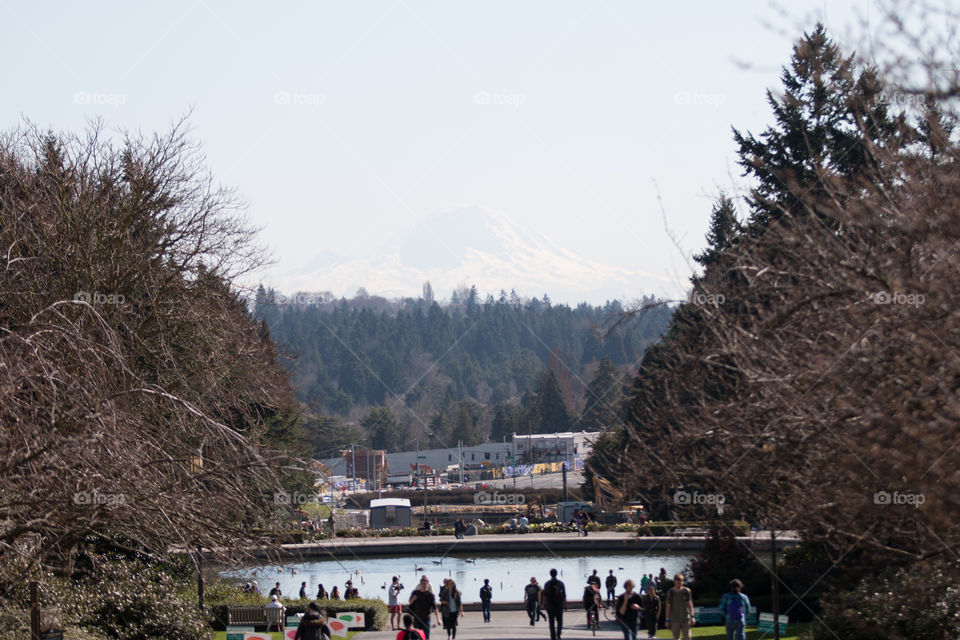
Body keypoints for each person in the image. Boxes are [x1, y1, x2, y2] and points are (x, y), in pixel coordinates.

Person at [408, 575, 441, 640]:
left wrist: (438, 619)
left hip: (426, 619)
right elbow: (410, 602)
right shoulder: (415, 593)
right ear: (420, 584)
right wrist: (413, 599)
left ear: (428, 584)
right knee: (416, 637)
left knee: (426, 638)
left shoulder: (430, 595)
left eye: (425, 583)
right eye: (423, 583)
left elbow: (435, 607)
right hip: (417, 619)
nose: (424, 585)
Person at [664, 573, 695, 640]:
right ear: (674, 582)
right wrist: (667, 619)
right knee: (676, 637)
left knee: (688, 637)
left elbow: (689, 604)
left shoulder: (686, 591)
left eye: (681, 582)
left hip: (685, 617)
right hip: (675, 619)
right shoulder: (670, 592)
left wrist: (692, 616)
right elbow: (668, 606)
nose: (679, 584)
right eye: (678, 582)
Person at [542, 567, 567, 640]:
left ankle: (553, 636)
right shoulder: (561, 583)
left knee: (551, 621)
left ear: (550, 574)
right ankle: (558, 634)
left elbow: (545, 595)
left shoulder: (547, 584)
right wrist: (565, 604)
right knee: (560, 621)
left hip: (550, 605)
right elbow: (564, 595)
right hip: (559, 604)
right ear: (557, 574)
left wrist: (544, 604)